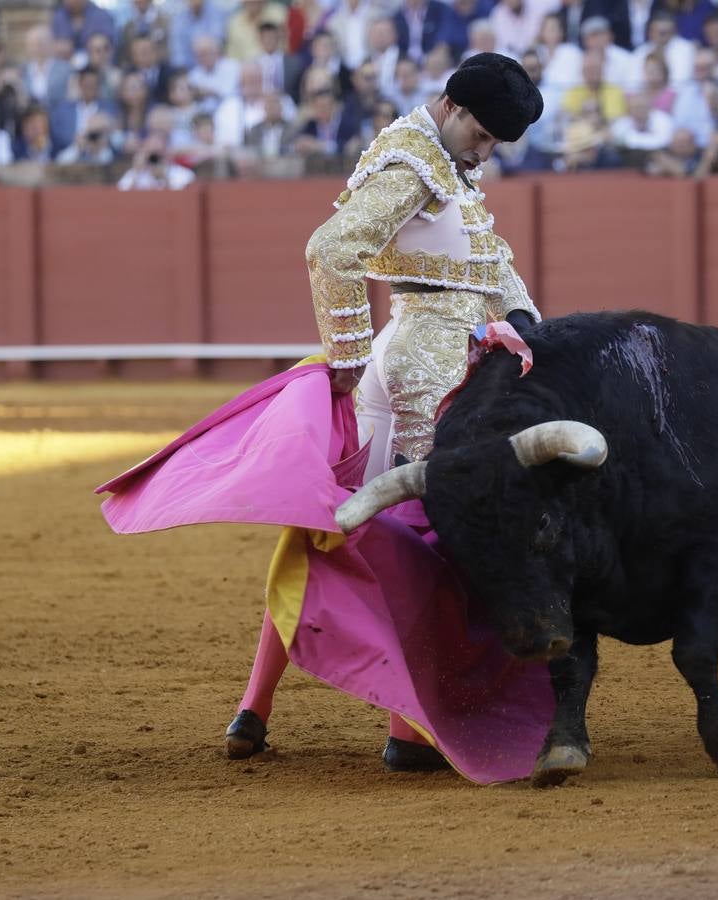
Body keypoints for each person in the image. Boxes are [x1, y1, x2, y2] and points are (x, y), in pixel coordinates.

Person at [225, 52, 544, 772]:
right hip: (424, 370)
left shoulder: (441, 159)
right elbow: (332, 249)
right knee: (432, 536)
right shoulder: (414, 164)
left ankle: (254, 707)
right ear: (456, 106)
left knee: (329, 529)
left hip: (407, 357)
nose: (486, 151)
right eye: (485, 136)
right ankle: (406, 731)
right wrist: (343, 353)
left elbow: (488, 267)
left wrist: (533, 323)